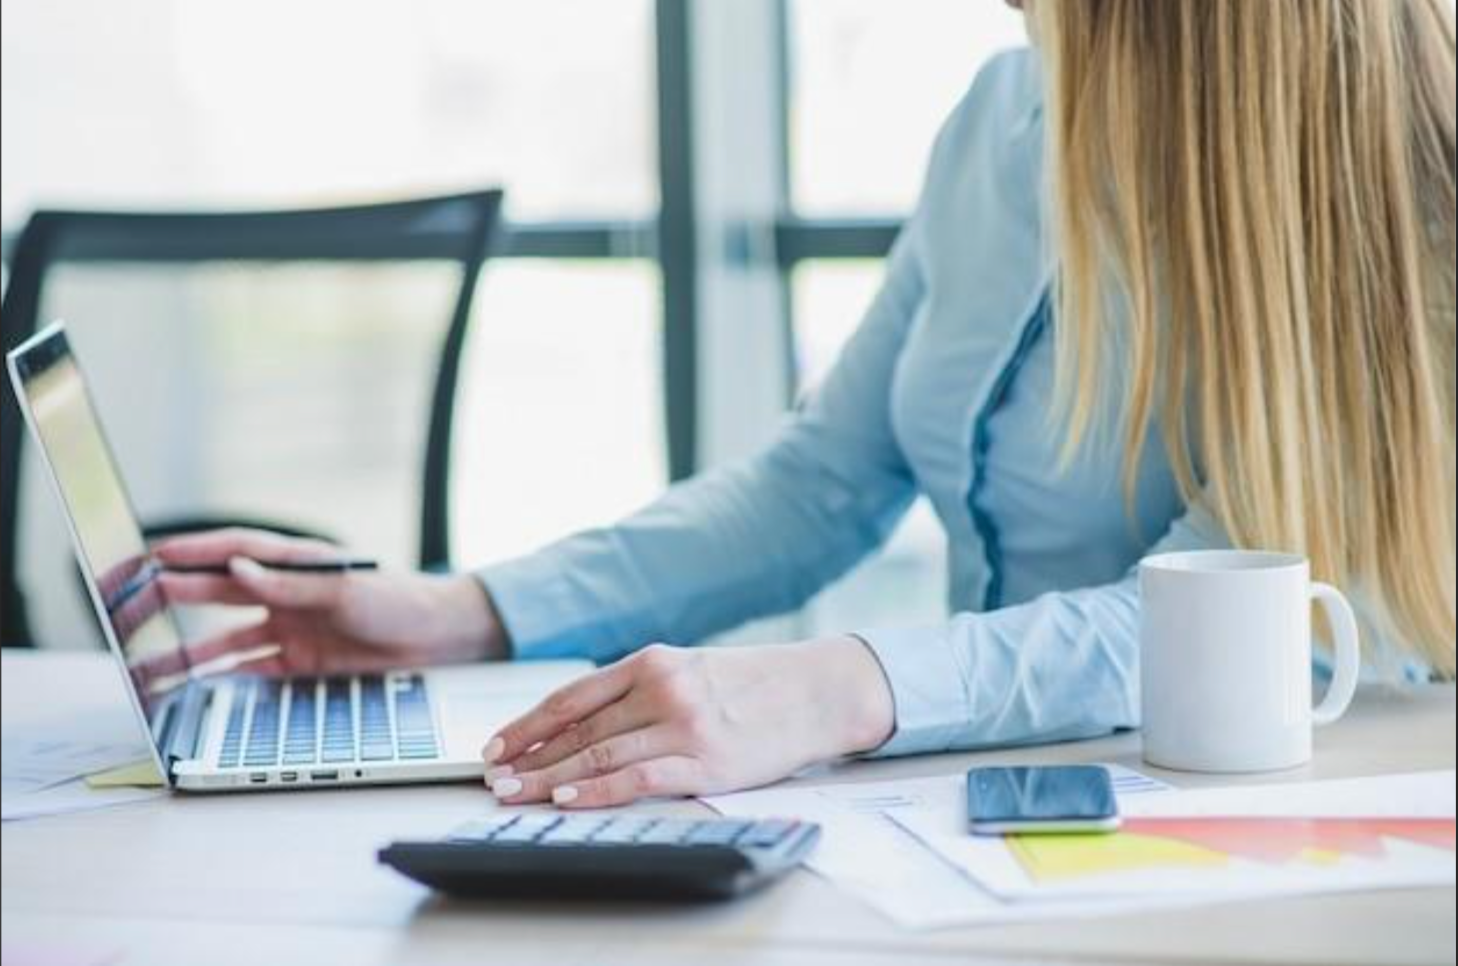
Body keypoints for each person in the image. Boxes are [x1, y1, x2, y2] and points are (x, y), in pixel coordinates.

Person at [157, 0, 1457, 810]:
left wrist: (835, 689)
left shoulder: (1371, 173)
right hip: (984, 820)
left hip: (1256, 826)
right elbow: (822, 480)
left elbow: (1237, 623)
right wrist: (461, 611)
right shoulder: (1002, 112)